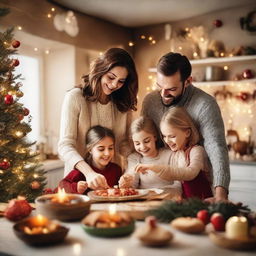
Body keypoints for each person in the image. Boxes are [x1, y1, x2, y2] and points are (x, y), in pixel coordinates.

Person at [141, 52, 230, 202]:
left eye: (171, 89)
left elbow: (216, 147)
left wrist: (221, 194)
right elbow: (143, 136)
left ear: (188, 81)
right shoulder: (150, 101)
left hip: (197, 188)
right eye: (159, 86)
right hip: (162, 187)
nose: (163, 94)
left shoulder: (205, 105)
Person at [58, 48, 138, 190]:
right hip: (79, 180)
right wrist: (89, 173)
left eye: (121, 81)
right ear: (100, 71)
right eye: (111, 77)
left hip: (111, 179)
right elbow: (65, 145)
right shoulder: (75, 97)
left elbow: (125, 144)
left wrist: (129, 171)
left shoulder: (122, 103)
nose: (114, 85)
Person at [136, 107, 213, 199]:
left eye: (172, 136)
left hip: (204, 204)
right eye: (164, 136)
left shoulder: (197, 151)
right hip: (188, 206)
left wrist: (154, 167)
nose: (167, 141)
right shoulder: (177, 154)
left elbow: (190, 173)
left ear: (187, 132)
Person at [118, 116, 181, 196]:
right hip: (143, 202)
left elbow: (178, 187)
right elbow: (132, 184)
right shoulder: (135, 158)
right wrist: (127, 182)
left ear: (155, 137)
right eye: (137, 143)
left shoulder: (170, 155)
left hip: (167, 202)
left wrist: (155, 193)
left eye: (146, 141)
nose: (142, 147)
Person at [59, 125, 122, 194]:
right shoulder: (80, 171)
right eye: (101, 149)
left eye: (110, 148)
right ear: (90, 150)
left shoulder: (116, 169)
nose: (107, 153)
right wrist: (76, 187)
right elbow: (61, 186)